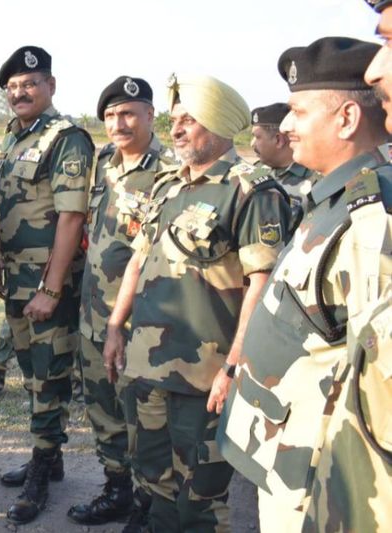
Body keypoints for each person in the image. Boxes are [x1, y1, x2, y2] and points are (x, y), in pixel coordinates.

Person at [104, 73, 292, 532]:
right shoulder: (168, 185)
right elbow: (138, 260)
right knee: (155, 487)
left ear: (222, 124)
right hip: (147, 369)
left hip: (204, 382)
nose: (178, 130)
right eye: (175, 120)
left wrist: (233, 366)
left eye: (190, 119)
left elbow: (261, 285)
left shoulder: (251, 191)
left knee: (200, 502)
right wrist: (114, 327)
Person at [219, 35, 390, 531]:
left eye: (298, 111)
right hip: (287, 457)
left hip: (320, 478)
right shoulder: (333, 197)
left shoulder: (371, 216)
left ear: (347, 119)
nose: (286, 126)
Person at [0, 45, 93, 525]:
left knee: (50, 375)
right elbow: (10, 203)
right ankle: (49, 459)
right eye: (12, 87)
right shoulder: (13, 138)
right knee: (32, 371)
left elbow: (72, 216)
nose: (20, 92)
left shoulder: (65, 138)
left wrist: (51, 288)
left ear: (50, 86)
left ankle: (41, 468)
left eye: (29, 84)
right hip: (16, 276)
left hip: (50, 279)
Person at [67, 75, 175, 530]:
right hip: (95, 316)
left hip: (143, 323)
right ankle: (117, 489)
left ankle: (150, 507)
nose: (119, 122)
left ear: (151, 115)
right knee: (104, 411)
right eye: (110, 115)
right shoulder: (103, 162)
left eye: (129, 112)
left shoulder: (168, 169)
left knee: (146, 423)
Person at [249, 102, 318, 226]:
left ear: (278, 140)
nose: (252, 144)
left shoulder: (315, 179)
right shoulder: (256, 171)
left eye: (257, 137)